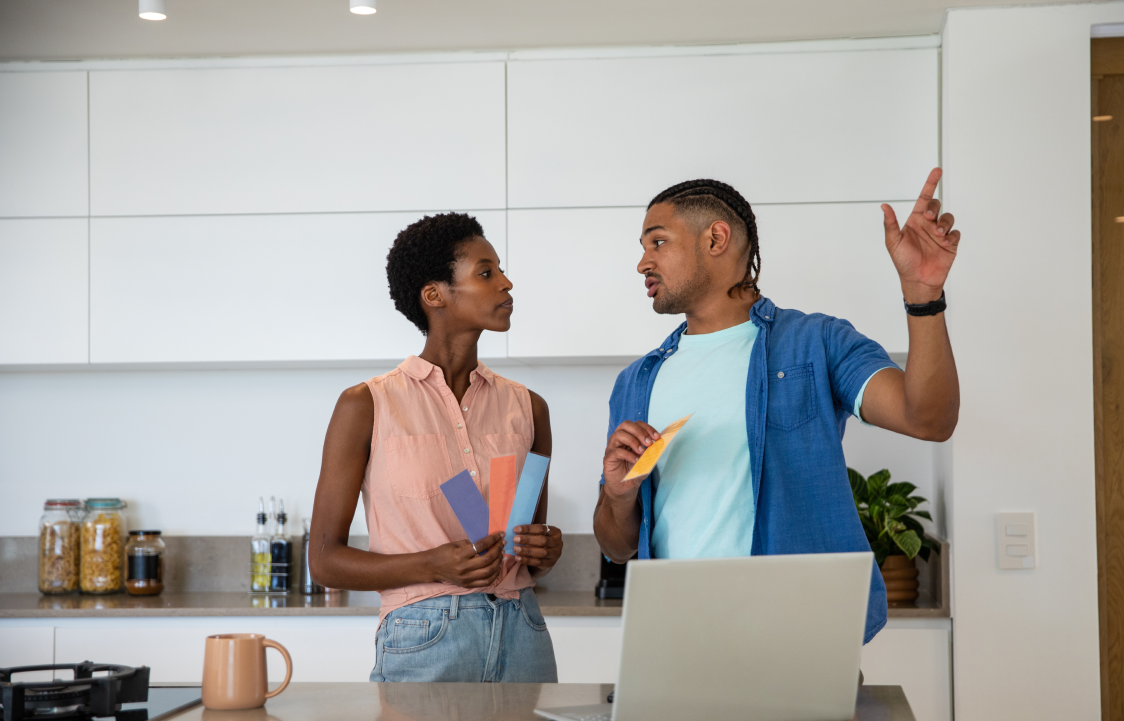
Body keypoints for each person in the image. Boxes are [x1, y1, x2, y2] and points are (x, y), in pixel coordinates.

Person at [593, 169, 961, 643]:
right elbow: (617, 547)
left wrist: (923, 296)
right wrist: (618, 497)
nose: (642, 263)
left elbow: (928, 419)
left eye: (657, 242)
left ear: (716, 238)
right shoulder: (635, 382)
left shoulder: (816, 342)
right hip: (678, 637)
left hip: (797, 636)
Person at [310, 212, 562, 681]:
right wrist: (432, 564)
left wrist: (544, 549)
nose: (506, 283)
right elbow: (325, 561)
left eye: (500, 270)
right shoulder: (366, 405)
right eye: (486, 273)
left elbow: (529, 547)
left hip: (523, 631)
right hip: (423, 635)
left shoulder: (530, 407)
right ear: (434, 296)